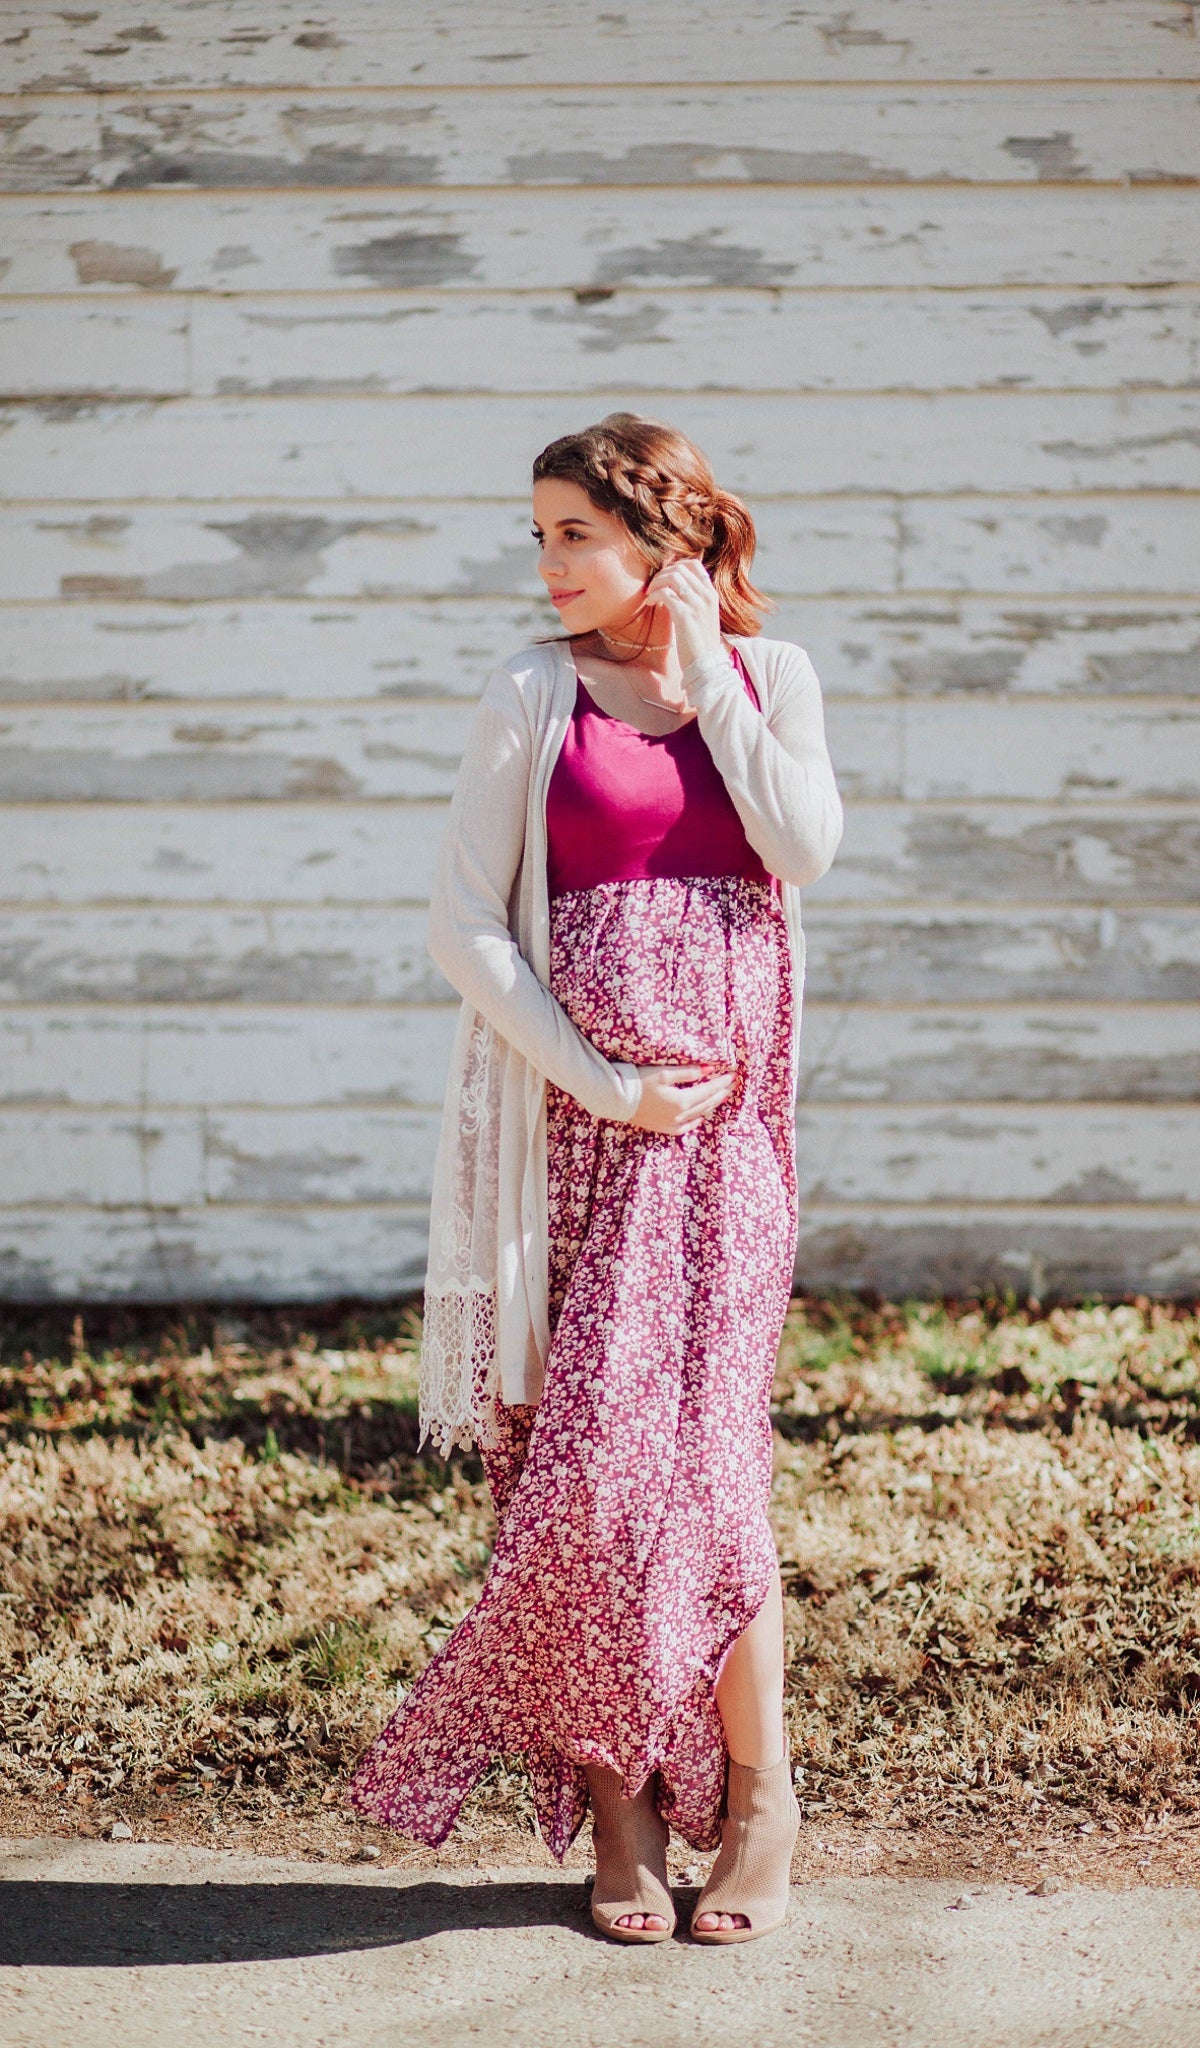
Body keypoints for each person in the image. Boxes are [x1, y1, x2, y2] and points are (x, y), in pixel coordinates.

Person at [349, 412, 843, 1945]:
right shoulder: (529, 691)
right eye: (540, 534)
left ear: (667, 541)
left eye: (579, 532)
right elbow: (462, 924)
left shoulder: (773, 678)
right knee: (575, 1482)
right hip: (573, 1153)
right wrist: (605, 1082)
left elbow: (803, 846)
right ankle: (619, 1805)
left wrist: (709, 686)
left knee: (706, 1477)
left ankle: (759, 1803)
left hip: (729, 1161)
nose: (550, 563)